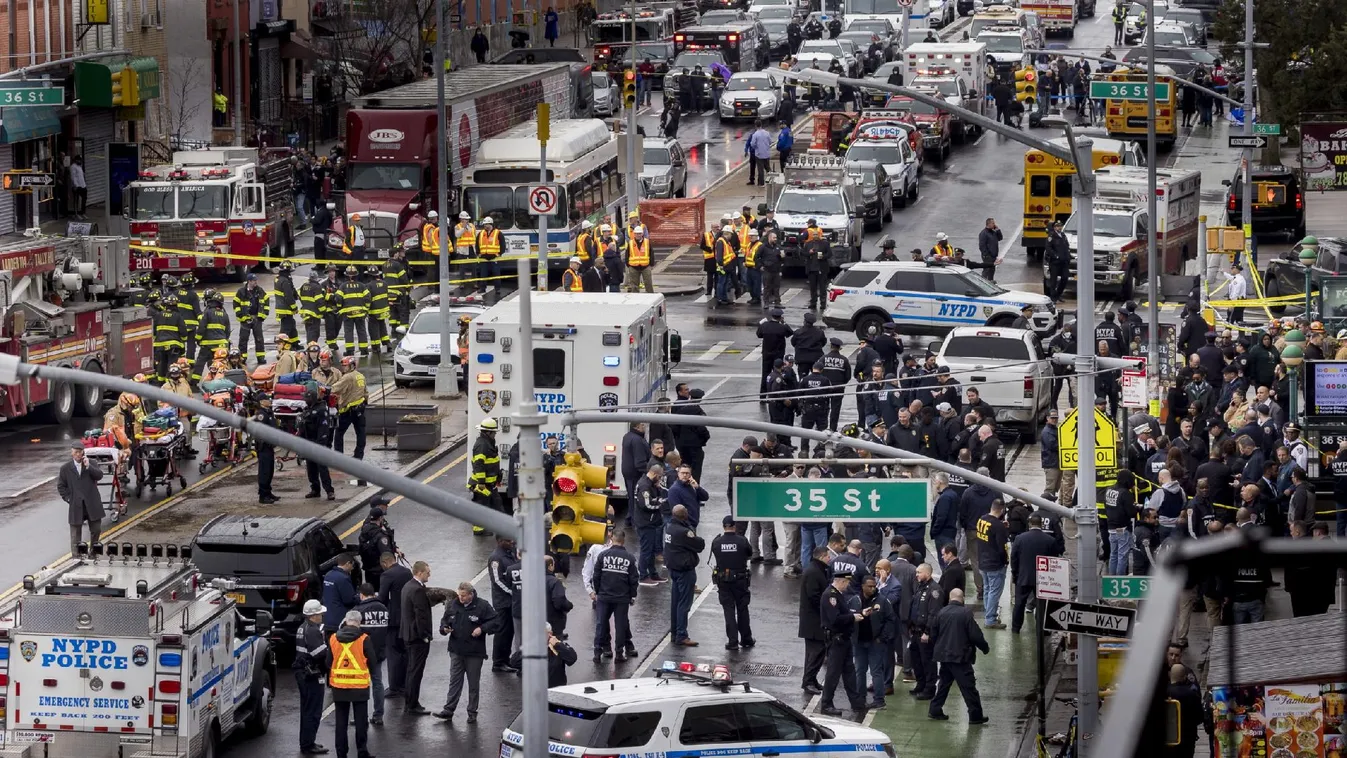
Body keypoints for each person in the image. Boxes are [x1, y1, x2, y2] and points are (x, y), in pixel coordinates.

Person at [434, 581, 499, 723]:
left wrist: (482, 629)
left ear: (471, 594)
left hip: (474, 652)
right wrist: (444, 629)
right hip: (456, 650)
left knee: (473, 683)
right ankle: (448, 710)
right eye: (459, 595)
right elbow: (445, 621)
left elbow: (496, 621)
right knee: (454, 681)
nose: (460, 598)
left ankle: (472, 711)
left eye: (463, 596)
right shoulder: (453, 604)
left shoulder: (482, 606)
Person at [926, 588, 990, 723]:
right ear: (963, 598)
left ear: (950, 598)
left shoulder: (941, 612)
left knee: (943, 684)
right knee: (968, 687)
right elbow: (975, 635)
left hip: (944, 656)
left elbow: (934, 633)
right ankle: (975, 715)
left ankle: (935, 709)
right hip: (960, 656)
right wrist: (984, 647)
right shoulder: (965, 613)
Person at [324, 609, 375, 758]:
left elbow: (328, 662)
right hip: (359, 687)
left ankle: (341, 754)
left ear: (346, 621)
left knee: (341, 723)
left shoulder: (333, 638)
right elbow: (372, 661)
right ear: (359, 623)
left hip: (339, 687)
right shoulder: (364, 638)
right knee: (361, 722)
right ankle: (362, 752)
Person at [819, 567, 866, 715]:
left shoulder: (838, 595)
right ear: (841, 581)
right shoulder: (831, 596)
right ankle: (826, 704)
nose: (848, 586)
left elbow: (843, 613)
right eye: (846, 583)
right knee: (833, 674)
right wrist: (853, 618)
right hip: (836, 640)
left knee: (849, 673)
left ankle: (857, 703)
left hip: (843, 640)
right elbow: (835, 619)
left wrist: (857, 614)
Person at [1010, 515, 1064, 634]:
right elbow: (1054, 560)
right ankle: (1042, 629)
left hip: (1024, 577)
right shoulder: (1050, 540)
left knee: (1019, 604)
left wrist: (1015, 573)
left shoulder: (1020, 539)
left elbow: (1014, 558)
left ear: (1030, 524)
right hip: (1043, 579)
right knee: (1042, 605)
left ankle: (1016, 628)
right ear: (1041, 525)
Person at [593, 530, 640, 662]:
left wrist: (598, 592)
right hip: (621, 598)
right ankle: (619, 654)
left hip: (604, 596)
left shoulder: (603, 555)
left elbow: (596, 576)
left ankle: (597, 652)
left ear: (612, 539)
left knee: (601, 624)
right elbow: (634, 579)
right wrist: (632, 596)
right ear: (623, 540)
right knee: (620, 626)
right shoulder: (630, 558)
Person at [711, 515, 755, 650]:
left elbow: (716, 554)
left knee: (728, 610)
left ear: (724, 526)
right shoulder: (742, 540)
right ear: (734, 526)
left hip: (723, 580)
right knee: (742, 609)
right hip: (740, 580)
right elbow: (749, 553)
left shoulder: (717, 542)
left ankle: (733, 641)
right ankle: (746, 639)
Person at [665, 504, 705, 647]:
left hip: (674, 569)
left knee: (675, 603)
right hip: (684, 571)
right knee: (684, 603)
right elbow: (699, 545)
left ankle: (675, 633)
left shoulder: (669, 527)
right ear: (684, 515)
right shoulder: (684, 532)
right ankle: (682, 634)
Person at [294, 599, 329, 755]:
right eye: (320, 613)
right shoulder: (313, 630)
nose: (322, 615)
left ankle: (307, 742)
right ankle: (308, 745)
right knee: (313, 711)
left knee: (307, 709)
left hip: (303, 673)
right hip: (311, 675)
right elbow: (320, 653)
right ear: (314, 615)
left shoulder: (303, 627)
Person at [351, 583, 389, 726]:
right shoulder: (384, 609)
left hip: (361, 653)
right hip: (378, 653)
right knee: (378, 683)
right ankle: (378, 715)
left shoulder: (358, 610)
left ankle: (360, 716)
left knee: (360, 684)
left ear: (361, 595)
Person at [58, 443, 105, 554]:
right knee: (75, 534)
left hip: (92, 503)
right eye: (76, 452)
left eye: (80, 452)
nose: (78, 454)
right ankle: (76, 557)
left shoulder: (91, 463)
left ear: (83, 452)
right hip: (76, 504)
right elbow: (61, 486)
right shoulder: (65, 468)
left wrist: (89, 467)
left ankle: (93, 553)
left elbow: (99, 476)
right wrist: (69, 498)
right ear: (72, 453)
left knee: (96, 530)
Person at [400, 561, 433, 715]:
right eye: (427, 572)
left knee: (410, 669)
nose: (429, 575)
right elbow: (421, 616)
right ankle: (412, 704)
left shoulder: (407, 586)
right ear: (419, 572)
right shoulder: (418, 590)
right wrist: (425, 635)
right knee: (416, 671)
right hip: (417, 638)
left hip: (407, 634)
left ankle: (410, 702)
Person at [908, 562, 944, 700]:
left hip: (925, 633)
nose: (916, 575)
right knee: (916, 660)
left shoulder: (934, 590)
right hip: (916, 631)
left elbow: (933, 613)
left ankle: (929, 689)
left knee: (927, 661)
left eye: (919, 572)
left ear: (927, 574)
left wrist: (927, 632)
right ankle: (920, 684)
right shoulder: (920, 588)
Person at [798, 545, 831, 694]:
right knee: (816, 651)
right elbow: (814, 596)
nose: (830, 558)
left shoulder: (817, 569)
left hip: (813, 620)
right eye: (828, 556)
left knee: (815, 652)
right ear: (822, 556)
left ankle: (811, 679)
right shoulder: (813, 572)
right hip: (813, 621)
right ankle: (808, 681)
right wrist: (826, 609)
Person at [975, 500, 1010, 629]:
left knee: (988, 590)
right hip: (995, 564)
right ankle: (990, 620)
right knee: (994, 592)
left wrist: (1000, 525)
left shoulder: (982, 520)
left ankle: (988, 614)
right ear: (1001, 510)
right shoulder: (998, 526)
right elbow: (1002, 547)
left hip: (982, 561)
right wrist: (1005, 561)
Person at [470, 419, 505, 536]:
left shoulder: (487, 443)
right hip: (482, 484)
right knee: (482, 505)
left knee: (496, 503)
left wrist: (497, 476)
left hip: (490, 483)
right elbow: (478, 464)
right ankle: (479, 530)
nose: (495, 434)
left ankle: (502, 528)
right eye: (494, 432)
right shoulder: (482, 445)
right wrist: (481, 483)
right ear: (488, 433)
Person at [1045, 220, 1071, 302]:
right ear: (1054, 227)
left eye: (1060, 226)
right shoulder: (1051, 236)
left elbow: (1066, 246)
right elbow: (1048, 248)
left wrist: (1068, 256)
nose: (1059, 227)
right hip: (1055, 262)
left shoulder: (1063, 235)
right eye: (1057, 226)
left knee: (1065, 278)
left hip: (1064, 261)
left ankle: (1058, 294)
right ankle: (1053, 297)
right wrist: (1056, 256)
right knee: (1053, 280)